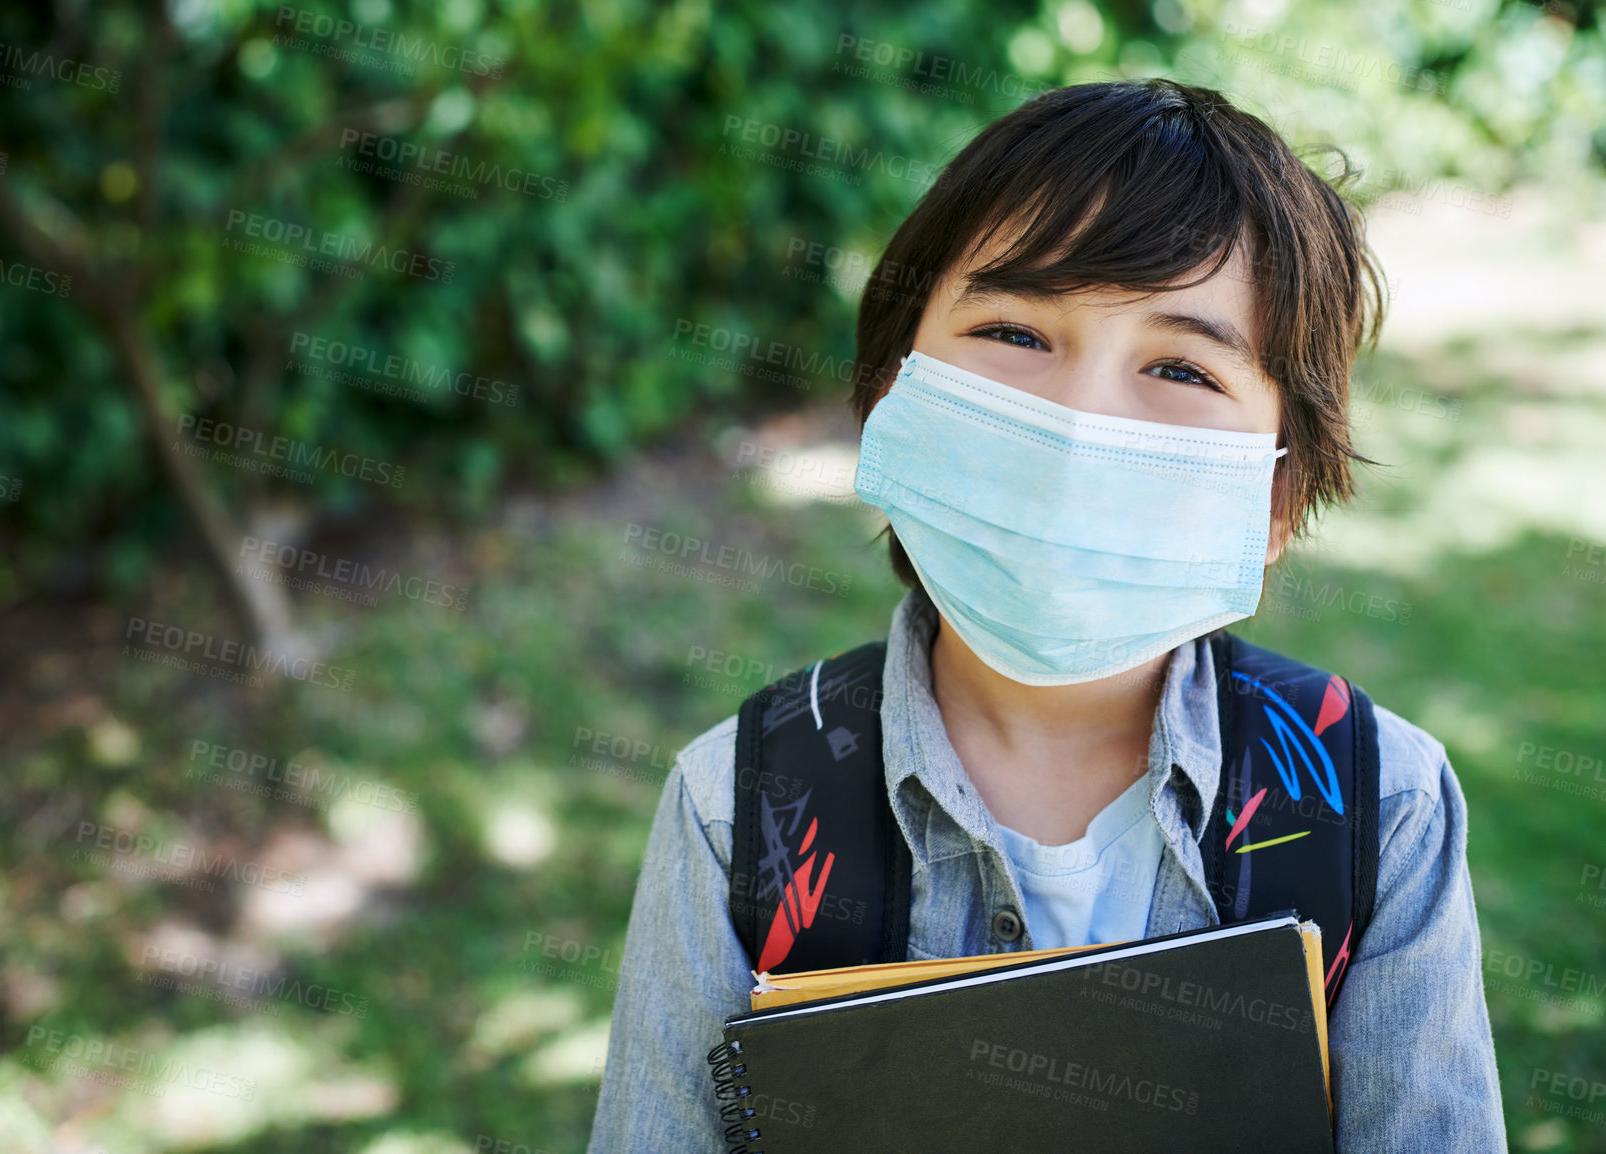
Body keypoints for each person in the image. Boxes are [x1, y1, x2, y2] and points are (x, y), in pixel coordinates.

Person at [589, 77, 1506, 1152]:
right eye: (1016, 332)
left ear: (1275, 496)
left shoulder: (1377, 805)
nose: (1076, 422)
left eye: (1179, 366)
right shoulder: (735, 802)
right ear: (895, 393)